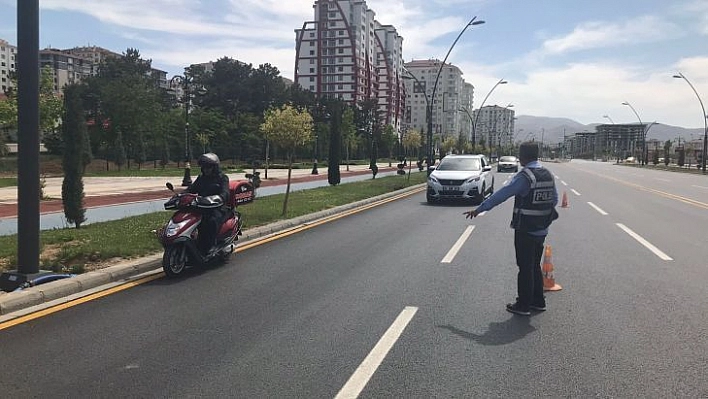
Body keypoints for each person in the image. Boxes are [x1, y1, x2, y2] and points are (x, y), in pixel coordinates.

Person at [463, 142, 558, 316]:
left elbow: (502, 194)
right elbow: (555, 200)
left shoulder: (525, 177)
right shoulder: (548, 174)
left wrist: (479, 209)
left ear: (522, 157)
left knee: (525, 266)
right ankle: (538, 301)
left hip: (526, 228)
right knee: (535, 264)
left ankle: (523, 305)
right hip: (542, 228)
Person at [186, 153, 230, 256]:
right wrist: (180, 195)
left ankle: (212, 245)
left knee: (211, 221)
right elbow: (191, 189)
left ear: (214, 167)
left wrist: (219, 198)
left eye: (208, 167)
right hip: (201, 207)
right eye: (204, 167)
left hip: (217, 208)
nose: (206, 169)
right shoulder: (201, 178)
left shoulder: (222, 178)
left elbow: (225, 193)